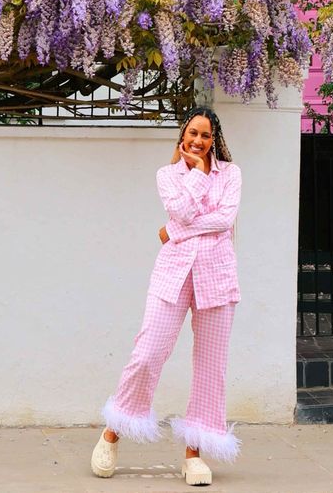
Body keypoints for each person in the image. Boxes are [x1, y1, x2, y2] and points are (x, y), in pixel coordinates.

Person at [90, 107, 242, 486]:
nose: (198, 141)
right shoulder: (167, 175)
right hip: (173, 273)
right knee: (148, 352)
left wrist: (173, 231)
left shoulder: (233, 174)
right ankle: (113, 431)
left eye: (206, 136)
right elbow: (179, 210)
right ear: (183, 135)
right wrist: (199, 178)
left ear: (214, 139)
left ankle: (194, 454)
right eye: (193, 133)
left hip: (217, 275)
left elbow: (225, 220)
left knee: (211, 367)